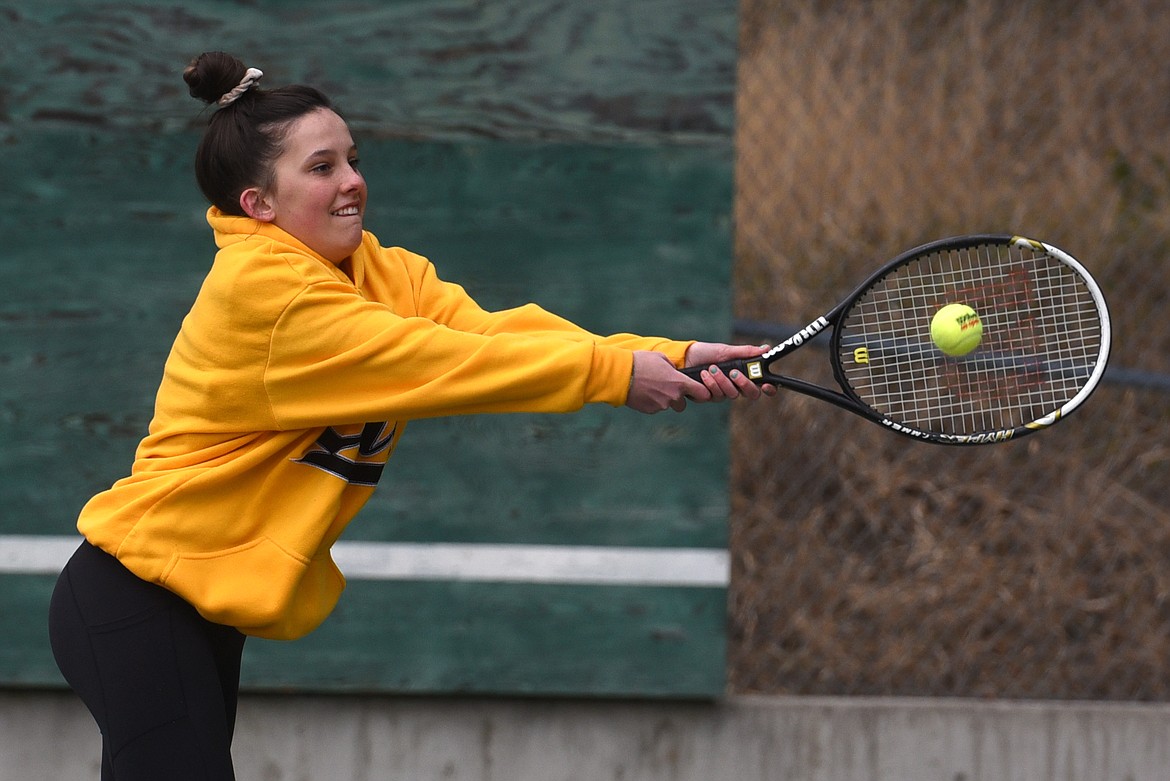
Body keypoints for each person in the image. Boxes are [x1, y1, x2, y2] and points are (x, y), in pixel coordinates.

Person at [47, 51, 775, 780]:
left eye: (353, 159)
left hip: (202, 606)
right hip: (135, 596)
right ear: (258, 204)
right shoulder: (267, 294)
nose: (353, 181)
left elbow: (492, 335)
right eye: (322, 167)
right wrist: (614, 374)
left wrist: (667, 353)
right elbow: (443, 362)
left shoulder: (381, 270)